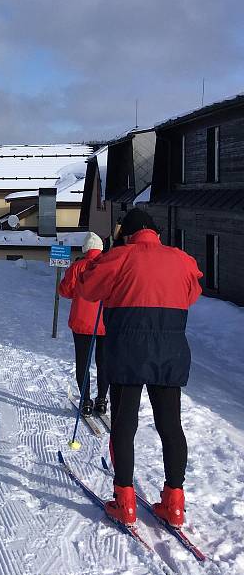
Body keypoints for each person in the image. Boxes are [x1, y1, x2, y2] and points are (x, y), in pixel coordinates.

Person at [78, 208, 202, 527]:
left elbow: (89, 290)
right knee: (170, 425)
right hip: (169, 352)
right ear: (156, 233)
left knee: (124, 423)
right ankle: (174, 503)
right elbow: (192, 294)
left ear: (128, 234)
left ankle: (124, 501)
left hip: (127, 351)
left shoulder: (118, 257)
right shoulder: (182, 259)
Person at [58, 232, 107, 416]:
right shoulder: (109, 266)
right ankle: (102, 400)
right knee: (104, 362)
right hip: (105, 321)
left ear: (85, 249)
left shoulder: (78, 267)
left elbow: (65, 290)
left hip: (82, 321)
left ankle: (86, 401)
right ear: (101, 248)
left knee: (83, 362)